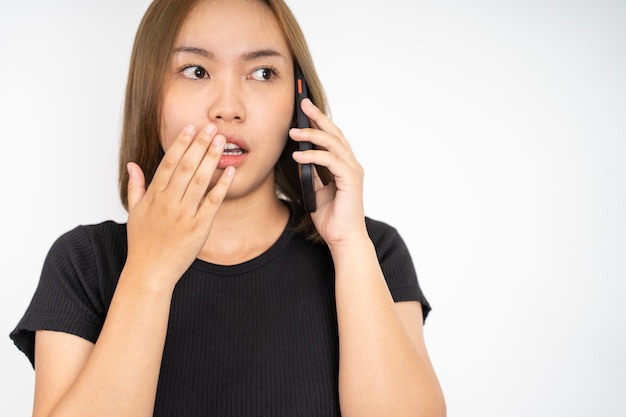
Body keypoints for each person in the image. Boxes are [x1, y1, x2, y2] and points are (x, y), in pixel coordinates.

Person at [10, 0, 446, 416]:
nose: (228, 109)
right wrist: (149, 275)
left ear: (298, 99)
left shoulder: (371, 250)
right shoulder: (86, 261)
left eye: (261, 72)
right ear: (150, 93)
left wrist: (350, 246)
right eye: (196, 70)